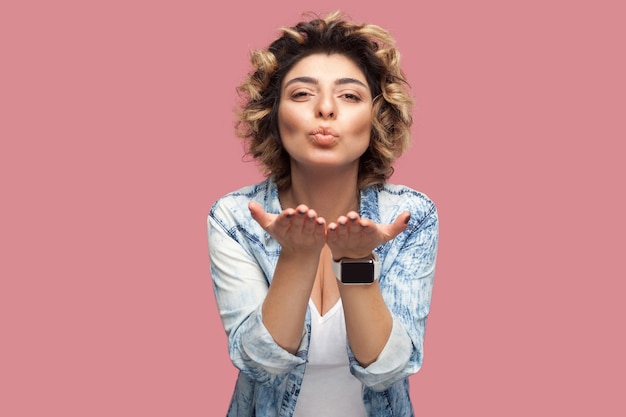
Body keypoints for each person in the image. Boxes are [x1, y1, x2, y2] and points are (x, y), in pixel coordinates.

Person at [207, 10, 439, 417]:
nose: (326, 108)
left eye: (350, 95)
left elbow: (389, 370)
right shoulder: (235, 218)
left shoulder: (410, 216)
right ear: (274, 115)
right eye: (302, 94)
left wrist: (354, 263)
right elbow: (261, 364)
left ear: (377, 117)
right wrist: (296, 256)